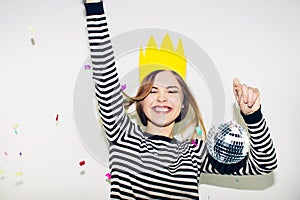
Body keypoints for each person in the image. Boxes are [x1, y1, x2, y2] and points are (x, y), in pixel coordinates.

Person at [83, 1, 278, 199]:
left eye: (171, 91)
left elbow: (264, 164)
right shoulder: (123, 136)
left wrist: (253, 116)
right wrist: (94, 6)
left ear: (183, 104)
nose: (161, 97)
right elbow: (104, 73)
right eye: (153, 91)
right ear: (141, 102)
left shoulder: (194, 153)